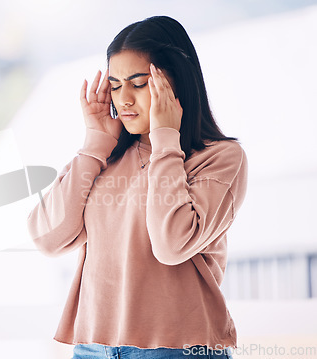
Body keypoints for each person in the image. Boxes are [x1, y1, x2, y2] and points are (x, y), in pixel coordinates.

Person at [27, 15, 247, 359]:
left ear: (176, 81)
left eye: (139, 83)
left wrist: (164, 138)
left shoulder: (219, 158)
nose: (124, 99)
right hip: (93, 347)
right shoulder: (105, 156)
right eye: (115, 85)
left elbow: (172, 243)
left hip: (177, 348)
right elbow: (48, 238)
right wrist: (94, 143)